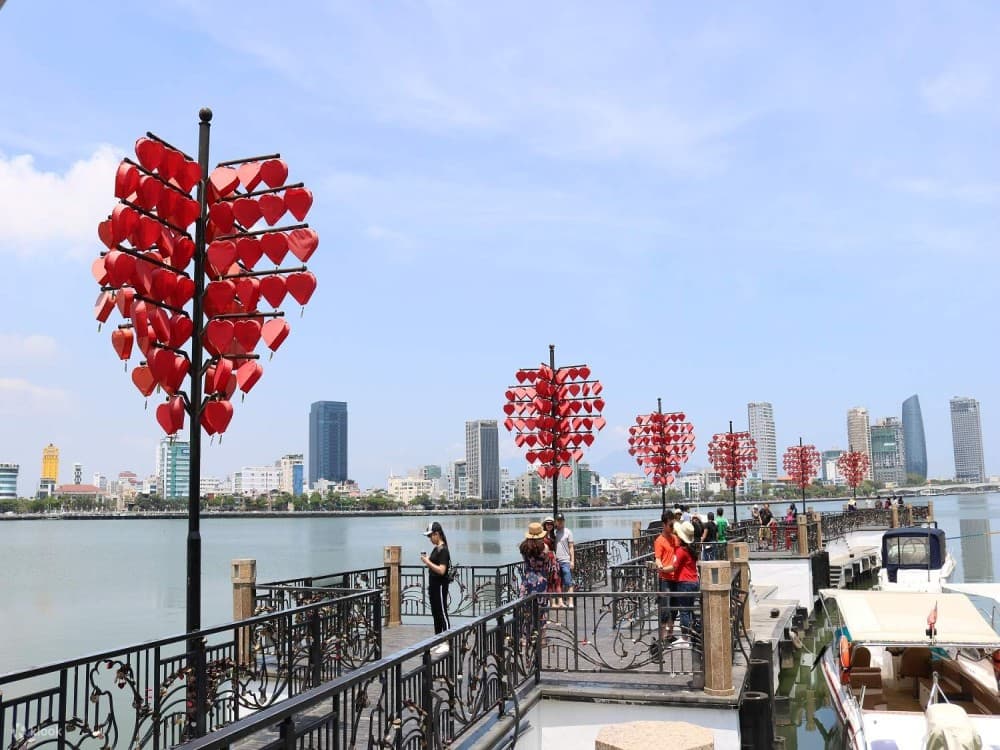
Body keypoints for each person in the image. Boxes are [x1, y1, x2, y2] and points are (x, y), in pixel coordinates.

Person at [660, 520, 700, 645]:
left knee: (683, 610)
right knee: (689, 609)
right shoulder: (691, 550)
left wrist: (660, 569)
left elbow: (673, 567)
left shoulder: (681, 551)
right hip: (694, 581)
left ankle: (685, 637)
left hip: (684, 583)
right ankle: (690, 634)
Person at [420, 521, 451, 654]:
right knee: (435, 613)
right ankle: (438, 640)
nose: (429, 538)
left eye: (430, 536)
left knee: (442, 612)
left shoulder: (443, 550)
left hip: (439, 585)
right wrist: (428, 559)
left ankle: (448, 641)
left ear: (437, 534)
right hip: (433, 585)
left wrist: (427, 562)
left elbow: (442, 570)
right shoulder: (436, 549)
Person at [652, 512, 678, 644]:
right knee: (665, 608)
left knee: (674, 609)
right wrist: (659, 565)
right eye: (670, 525)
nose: (672, 527)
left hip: (676, 577)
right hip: (665, 578)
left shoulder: (675, 538)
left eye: (674, 524)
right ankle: (661, 638)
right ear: (664, 524)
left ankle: (670, 634)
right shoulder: (659, 541)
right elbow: (657, 557)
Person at [519, 522, 554, 605]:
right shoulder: (544, 547)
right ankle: (541, 617)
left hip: (528, 577)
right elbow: (546, 561)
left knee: (527, 602)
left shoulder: (524, 547)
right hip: (540, 577)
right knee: (540, 604)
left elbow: (524, 560)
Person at [553, 513, 575, 608]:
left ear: (564, 521)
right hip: (556, 561)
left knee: (568, 582)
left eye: (561, 520)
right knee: (558, 582)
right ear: (556, 522)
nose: (560, 522)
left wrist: (572, 561)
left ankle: (570, 602)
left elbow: (571, 547)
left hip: (566, 561)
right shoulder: (554, 533)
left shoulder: (568, 532)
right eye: (558, 520)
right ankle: (560, 601)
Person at [542, 516, 561, 604]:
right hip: (546, 559)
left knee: (557, 580)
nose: (549, 525)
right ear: (544, 525)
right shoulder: (542, 535)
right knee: (549, 581)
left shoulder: (554, 534)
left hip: (553, 559)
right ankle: (552, 602)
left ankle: (559, 602)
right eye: (547, 524)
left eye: (551, 524)